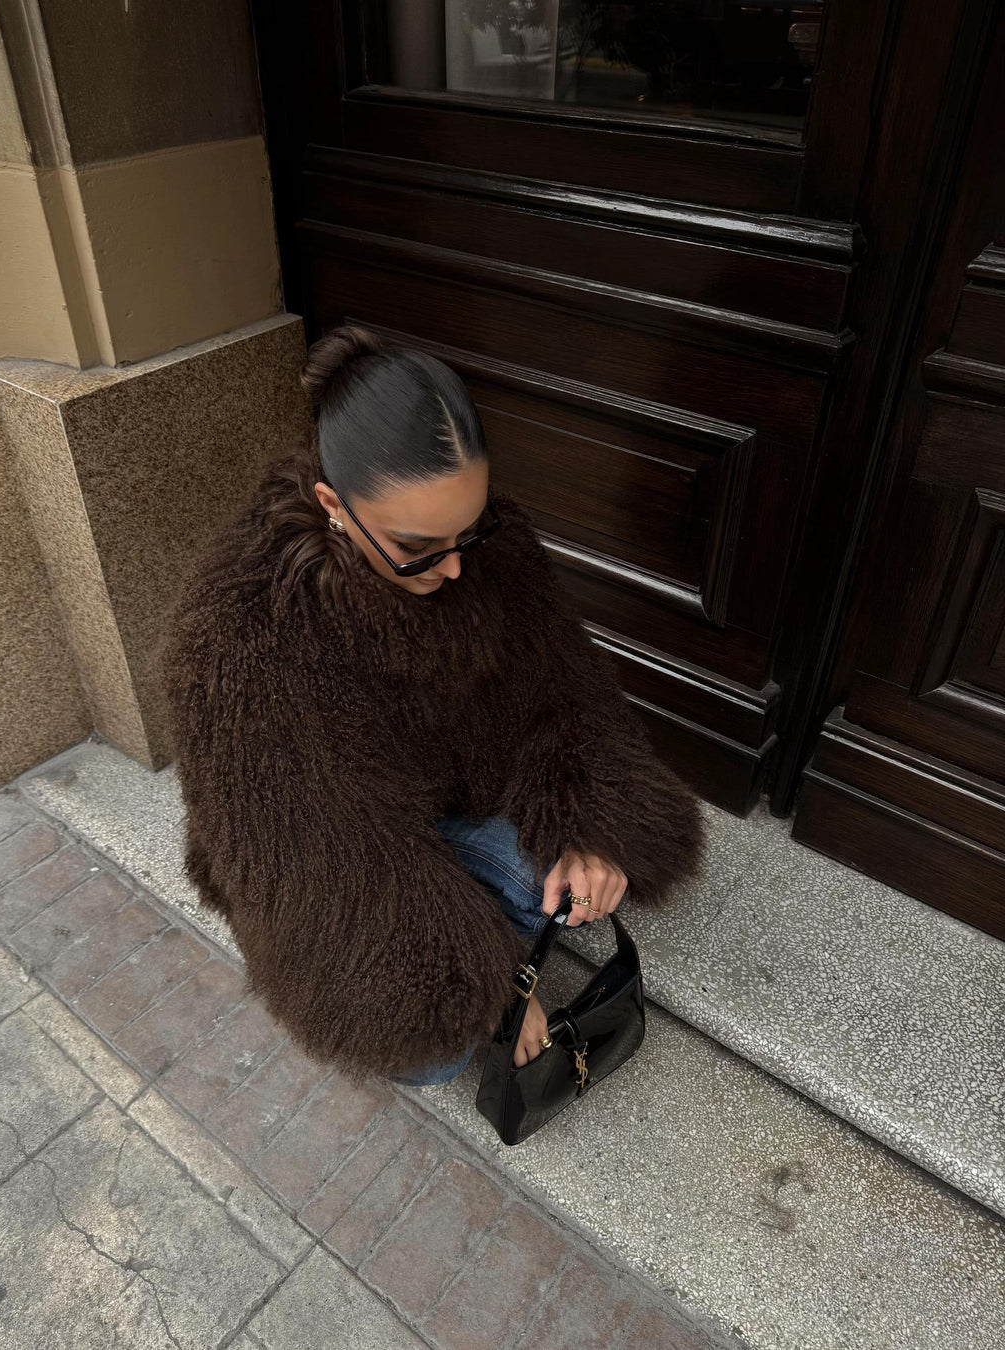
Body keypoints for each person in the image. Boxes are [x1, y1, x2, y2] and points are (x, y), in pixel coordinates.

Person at [154, 324, 705, 1090]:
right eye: (418, 546)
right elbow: (313, 865)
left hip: (446, 799)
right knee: (434, 1047)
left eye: (468, 532)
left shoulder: (488, 549)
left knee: (560, 884)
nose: (453, 567)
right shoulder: (241, 640)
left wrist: (587, 824)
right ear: (332, 505)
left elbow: (567, 687)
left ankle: (484, 920)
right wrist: (494, 997)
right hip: (333, 850)